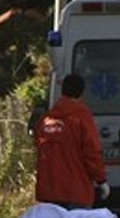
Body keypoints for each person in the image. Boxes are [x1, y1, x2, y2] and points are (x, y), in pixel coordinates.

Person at [34, 73, 108, 209]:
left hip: (48, 195)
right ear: (81, 93)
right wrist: (101, 180)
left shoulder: (45, 121)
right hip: (76, 192)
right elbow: (92, 152)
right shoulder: (81, 117)